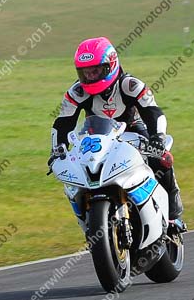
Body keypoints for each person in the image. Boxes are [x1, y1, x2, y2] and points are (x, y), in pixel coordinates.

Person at [50, 37, 185, 228]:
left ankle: (173, 212)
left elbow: (153, 112)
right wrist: (57, 150)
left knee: (160, 159)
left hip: (133, 129)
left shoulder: (130, 85)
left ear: (110, 65)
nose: (90, 76)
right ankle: (89, 218)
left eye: (95, 70)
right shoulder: (77, 92)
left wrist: (158, 138)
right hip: (96, 135)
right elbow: (62, 123)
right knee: (79, 169)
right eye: (85, 72)